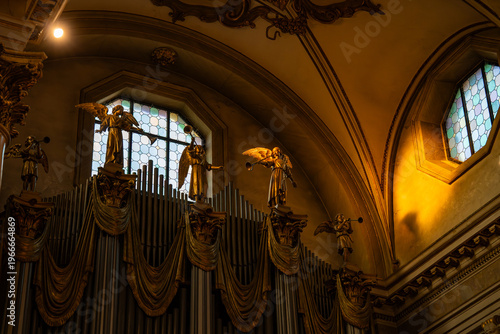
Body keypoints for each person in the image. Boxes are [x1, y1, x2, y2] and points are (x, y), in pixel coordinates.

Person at [179, 135, 223, 202]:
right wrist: (192, 142)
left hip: (202, 174)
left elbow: (208, 166)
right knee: (196, 185)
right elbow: (190, 150)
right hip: (195, 171)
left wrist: (218, 167)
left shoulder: (203, 159)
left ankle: (202, 199)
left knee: (203, 186)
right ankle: (197, 198)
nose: (199, 149)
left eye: (200, 148)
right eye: (198, 148)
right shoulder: (194, 157)